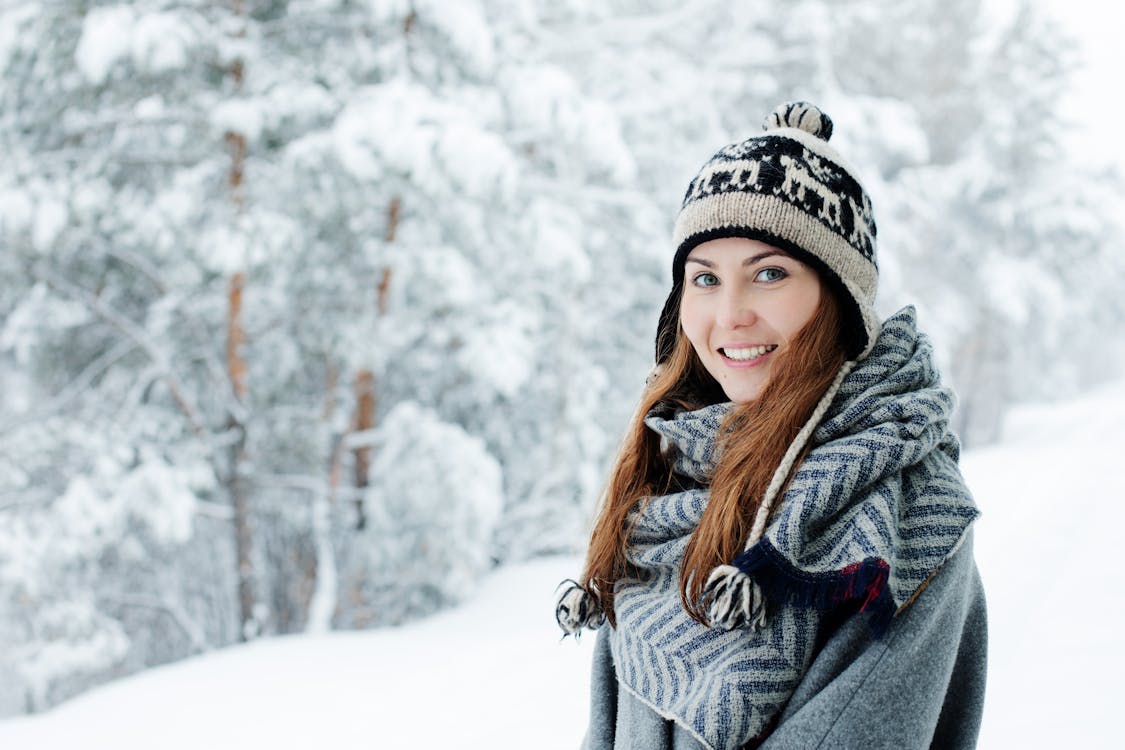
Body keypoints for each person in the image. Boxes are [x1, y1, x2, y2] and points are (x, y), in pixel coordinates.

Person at [555, 102, 986, 750]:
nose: (729, 314)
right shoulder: (663, 483)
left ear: (837, 296)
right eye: (704, 278)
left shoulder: (902, 515)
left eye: (768, 273)